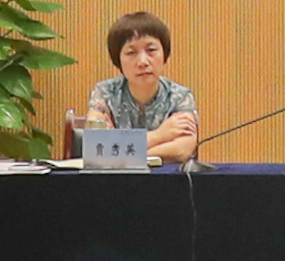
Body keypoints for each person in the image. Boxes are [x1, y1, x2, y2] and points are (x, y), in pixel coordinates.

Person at [82, 12, 206, 162]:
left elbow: (182, 150)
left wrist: (121, 153)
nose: (143, 61)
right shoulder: (105, 92)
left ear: (165, 54)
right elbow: (96, 147)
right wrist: (160, 135)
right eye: (131, 52)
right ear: (118, 60)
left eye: (151, 50)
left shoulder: (180, 96)